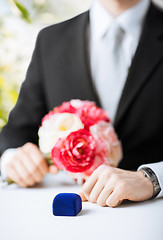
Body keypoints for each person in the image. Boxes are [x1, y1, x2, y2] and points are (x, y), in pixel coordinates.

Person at [0, 0, 163, 207]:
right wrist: (13, 159)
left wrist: (153, 178)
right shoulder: (50, 40)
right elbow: (15, 132)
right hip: (67, 215)